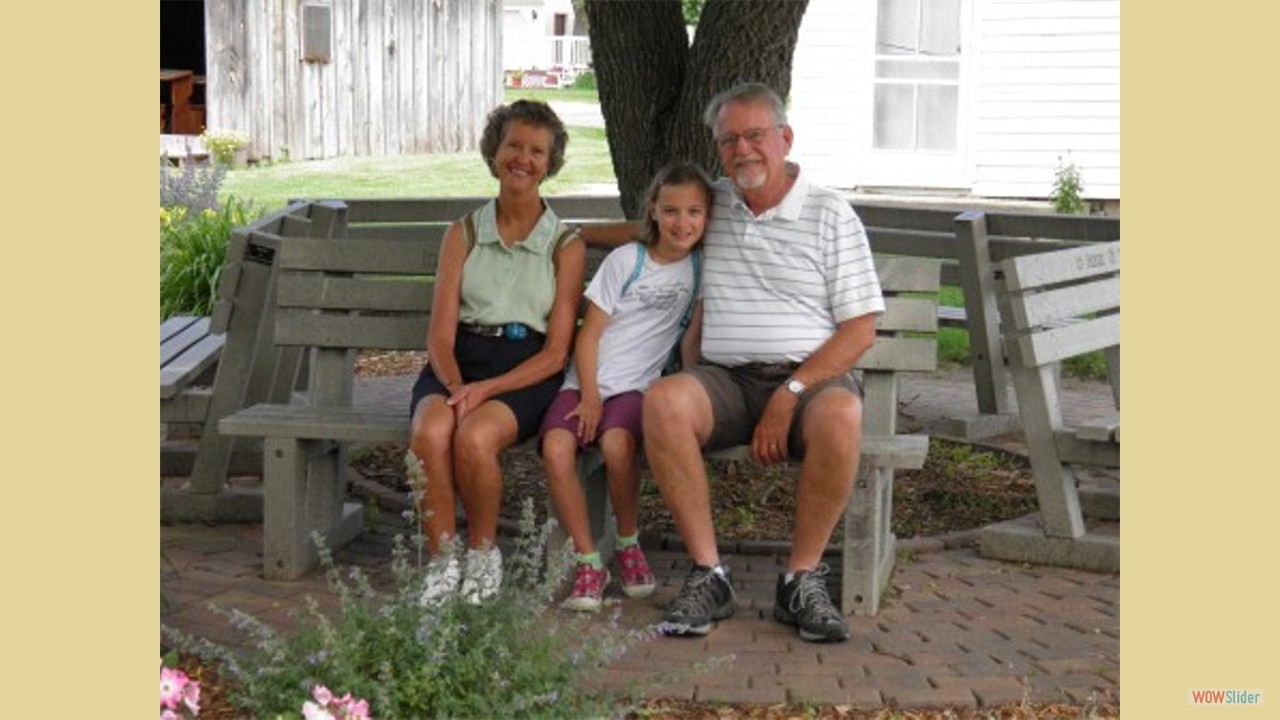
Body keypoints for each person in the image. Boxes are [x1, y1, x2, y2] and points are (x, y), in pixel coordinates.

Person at [642, 83, 885, 642]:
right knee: (664, 401)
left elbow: (860, 330)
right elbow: (655, 231)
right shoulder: (713, 204)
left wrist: (791, 391)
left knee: (843, 415)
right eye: (729, 141)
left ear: (785, 138)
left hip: (810, 382)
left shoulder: (829, 214)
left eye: (755, 135)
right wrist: (569, 239)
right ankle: (710, 577)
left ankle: (800, 580)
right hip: (725, 379)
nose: (742, 150)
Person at [409, 99, 585, 606]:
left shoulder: (564, 244)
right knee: (431, 430)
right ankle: (443, 564)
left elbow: (556, 354)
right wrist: (457, 383)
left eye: (536, 151)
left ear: (549, 164)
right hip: (457, 363)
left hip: (525, 370)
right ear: (494, 152)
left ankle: (484, 554)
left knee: (474, 438)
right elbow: (440, 334)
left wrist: (485, 391)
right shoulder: (462, 233)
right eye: (514, 146)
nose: (523, 159)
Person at [539, 161, 712, 613]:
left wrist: (694, 382)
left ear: (708, 217)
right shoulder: (626, 261)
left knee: (618, 446)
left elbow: (690, 338)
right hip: (587, 380)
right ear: (653, 212)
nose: (683, 222)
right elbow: (590, 334)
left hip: (639, 386)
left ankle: (629, 542)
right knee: (557, 449)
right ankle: (589, 560)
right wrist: (591, 395)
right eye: (671, 211)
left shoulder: (700, 267)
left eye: (695, 212)